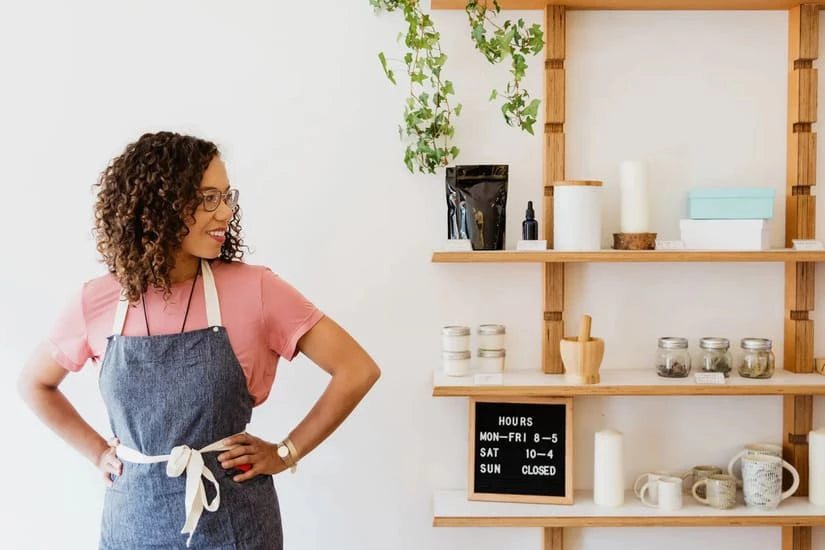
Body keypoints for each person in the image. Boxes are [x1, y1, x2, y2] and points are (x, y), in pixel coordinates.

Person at [17, 131, 381, 549]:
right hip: (133, 525)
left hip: (236, 526)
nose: (225, 212)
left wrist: (285, 453)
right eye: (209, 198)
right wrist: (98, 452)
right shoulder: (96, 301)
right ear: (160, 204)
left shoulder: (256, 288)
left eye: (227, 197)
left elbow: (356, 369)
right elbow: (35, 384)